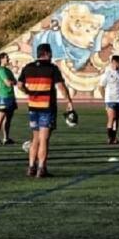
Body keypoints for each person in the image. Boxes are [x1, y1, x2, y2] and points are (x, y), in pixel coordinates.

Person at [18, 43, 76, 178]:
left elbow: (20, 85)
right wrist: (69, 101)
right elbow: (61, 86)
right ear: (46, 53)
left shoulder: (28, 67)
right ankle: (41, 169)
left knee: (35, 138)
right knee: (44, 139)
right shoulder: (52, 68)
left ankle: (31, 167)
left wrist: (29, 92)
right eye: (50, 52)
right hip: (47, 107)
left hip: (33, 107)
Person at [99, 54, 119, 144]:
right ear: (111, 63)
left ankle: (114, 137)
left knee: (116, 120)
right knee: (111, 118)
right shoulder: (107, 74)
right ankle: (109, 138)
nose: (115, 65)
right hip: (110, 100)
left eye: (117, 63)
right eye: (113, 63)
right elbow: (100, 87)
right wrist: (105, 98)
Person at [0, 52, 18, 145]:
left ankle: (6, 138)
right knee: (0, 117)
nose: (8, 59)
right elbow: (8, 82)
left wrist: (13, 81)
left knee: (8, 118)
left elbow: (15, 81)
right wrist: (12, 82)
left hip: (11, 96)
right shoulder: (1, 70)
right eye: (6, 57)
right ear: (1, 59)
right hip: (4, 96)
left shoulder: (8, 70)